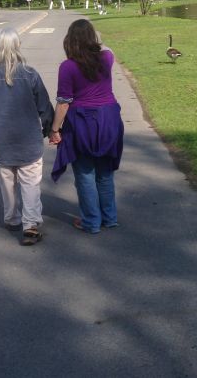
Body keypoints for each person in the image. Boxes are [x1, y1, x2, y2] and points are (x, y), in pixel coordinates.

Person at [0, 27, 54, 246]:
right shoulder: (30, 74)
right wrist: (50, 129)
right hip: (28, 137)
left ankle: (12, 217)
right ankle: (30, 224)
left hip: (0, 138)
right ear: (17, 47)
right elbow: (44, 107)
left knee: (7, 180)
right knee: (31, 182)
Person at [49, 19, 124, 234]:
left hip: (83, 123)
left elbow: (64, 102)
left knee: (84, 173)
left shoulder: (68, 67)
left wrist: (55, 130)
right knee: (105, 172)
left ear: (69, 41)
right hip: (109, 119)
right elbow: (105, 47)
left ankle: (91, 221)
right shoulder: (107, 58)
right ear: (93, 38)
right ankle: (109, 218)